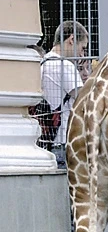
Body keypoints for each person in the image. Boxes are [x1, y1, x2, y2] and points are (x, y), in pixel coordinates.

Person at [41, 21, 89, 169]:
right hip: (63, 139)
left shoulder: (43, 62)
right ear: (72, 39)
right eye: (82, 48)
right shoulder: (65, 65)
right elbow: (85, 101)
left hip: (46, 139)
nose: (82, 54)